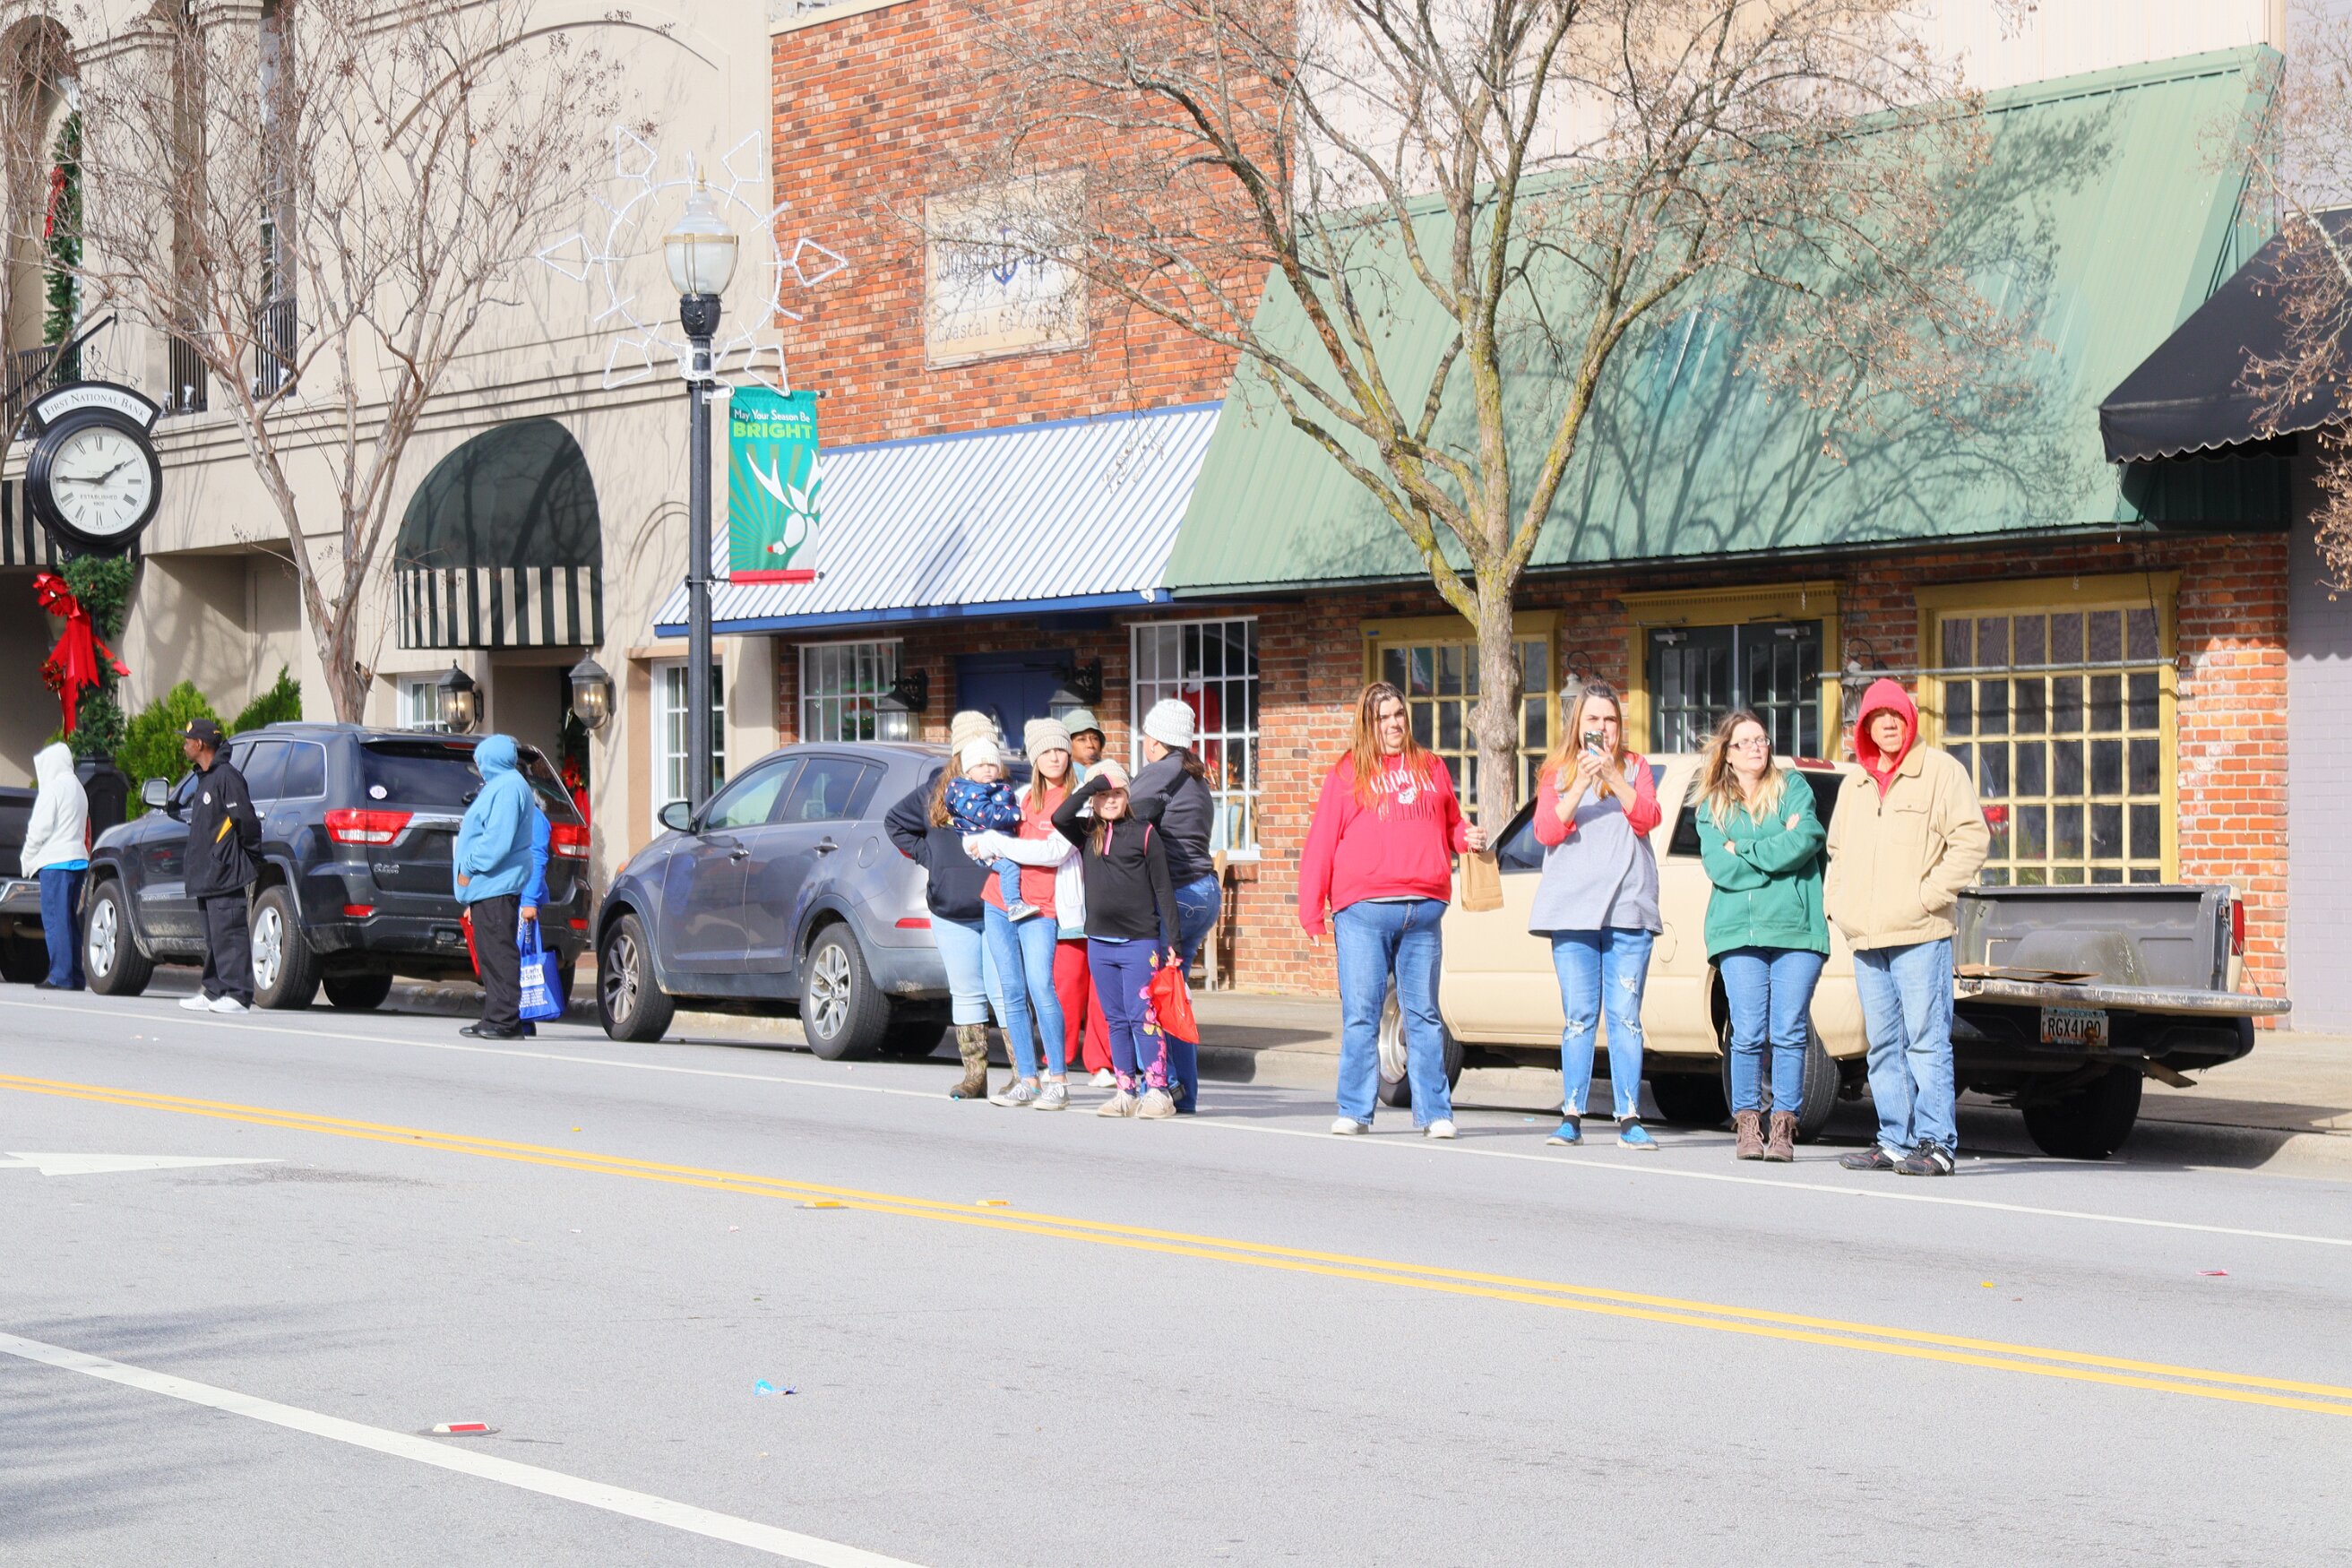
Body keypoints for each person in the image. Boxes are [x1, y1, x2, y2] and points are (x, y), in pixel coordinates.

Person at [1297, 681, 1486, 1139]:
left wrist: (1466, 838)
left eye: (1399, 714)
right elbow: (1321, 841)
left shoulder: (1431, 767)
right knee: (1362, 1013)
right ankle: (1355, 1110)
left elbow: (1450, 824)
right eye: (1383, 717)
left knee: (1423, 1016)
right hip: (1363, 910)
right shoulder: (1347, 772)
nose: (1394, 723)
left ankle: (1436, 1114)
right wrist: (1311, 909)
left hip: (1423, 909)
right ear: (1368, 724)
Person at [1827, 678, 1989, 1178]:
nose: (1889, 725)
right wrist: (1839, 905)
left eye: (1896, 715)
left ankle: (1937, 1144)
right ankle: (1894, 1141)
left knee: (1927, 1041)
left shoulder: (1941, 771)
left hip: (1921, 935)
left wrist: (1928, 897)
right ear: (1865, 727)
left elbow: (1972, 840)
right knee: (1883, 1046)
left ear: (1910, 720)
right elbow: (1837, 852)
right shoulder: (1854, 784)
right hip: (1867, 939)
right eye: (1878, 717)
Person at [1528, 680, 1665, 1150]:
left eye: (1610, 719)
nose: (1602, 728)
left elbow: (1647, 817)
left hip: (1628, 908)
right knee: (1579, 1016)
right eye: (1593, 719)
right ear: (1577, 724)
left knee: (1625, 1016)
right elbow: (1546, 831)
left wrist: (1614, 777)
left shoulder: (1637, 767)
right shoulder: (1557, 772)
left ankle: (1630, 1116)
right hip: (1573, 912)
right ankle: (1572, 1114)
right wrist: (1582, 782)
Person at [1695, 709, 1829, 1162]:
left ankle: (1784, 1126)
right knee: (1748, 1032)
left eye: (1762, 739)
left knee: (1789, 1031)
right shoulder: (1712, 806)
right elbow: (1720, 867)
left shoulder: (1793, 788)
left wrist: (1745, 849)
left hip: (1796, 928)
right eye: (1746, 742)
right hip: (1738, 932)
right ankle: (1748, 1124)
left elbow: (1805, 840)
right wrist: (1775, 853)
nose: (1757, 747)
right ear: (1727, 754)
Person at [1051, 759, 1185, 1119]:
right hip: (1099, 942)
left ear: (1127, 797)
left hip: (1139, 943)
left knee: (1143, 1016)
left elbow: (1164, 890)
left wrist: (1173, 942)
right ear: (1093, 799)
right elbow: (1059, 817)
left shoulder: (1145, 833)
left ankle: (1157, 1090)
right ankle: (1126, 1090)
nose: (1110, 800)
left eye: (1117, 794)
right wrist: (1090, 786)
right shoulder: (1086, 832)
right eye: (1103, 795)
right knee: (1115, 1019)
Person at [887, 726, 1010, 1100]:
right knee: (966, 992)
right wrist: (931, 858)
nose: (985, 763)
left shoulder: (1007, 795)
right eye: (975, 753)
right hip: (950, 909)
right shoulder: (933, 794)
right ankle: (975, 1076)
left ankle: (1023, 1075)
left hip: (997, 906)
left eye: (990, 755)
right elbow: (895, 823)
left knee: (1005, 991)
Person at [966, 719, 1078, 1109]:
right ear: (1034, 756)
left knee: (1041, 987)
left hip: (1041, 907)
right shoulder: (1021, 795)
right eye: (1046, 750)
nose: (1054, 757)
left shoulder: (1075, 800)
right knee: (1011, 991)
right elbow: (982, 834)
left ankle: (1058, 1081)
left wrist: (998, 845)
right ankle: (1027, 1080)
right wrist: (984, 844)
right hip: (998, 901)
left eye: (1060, 749)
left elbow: (1053, 852)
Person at [1130, 697, 1219, 1113]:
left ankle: (1166, 1085)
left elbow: (1120, 818)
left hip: (1178, 895)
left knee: (1155, 993)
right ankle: (1186, 1093)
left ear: (1155, 740)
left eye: (1146, 736)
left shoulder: (1158, 773)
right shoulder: (1196, 775)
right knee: (1175, 992)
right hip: (1206, 892)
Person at [452, 735, 538, 1040]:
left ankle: (505, 1021)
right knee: (490, 954)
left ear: (494, 759)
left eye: (481, 760)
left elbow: (497, 841)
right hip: (489, 886)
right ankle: (494, 1016)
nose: (479, 766)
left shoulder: (508, 787)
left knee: (499, 952)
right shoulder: (502, 785)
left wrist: (468, 866)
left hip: (496, 883)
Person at [177, 718, 261, 1013]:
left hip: (225, 871)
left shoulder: (226, 777)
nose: (184, 746)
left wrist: (248, 858)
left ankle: (238, 994)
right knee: (214, 936)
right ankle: (215, 990)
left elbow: (246, 822)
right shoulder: (206, 778)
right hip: (207, 875)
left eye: (187, 740)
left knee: (230, 932)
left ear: (200, 744)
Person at [21, 741, 89, 991]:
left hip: (55, 863)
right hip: (77, 861)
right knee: (69, 920)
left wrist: (27, 859)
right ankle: (75, 976)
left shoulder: (54, 789)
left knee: (54, 920)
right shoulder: (78, 788)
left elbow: (39, 828)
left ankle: (60, 976)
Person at [941, 741, 1033, 920]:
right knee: (1009, 867)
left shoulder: (993, 786)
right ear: (968, 771)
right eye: (980, 765)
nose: (987, 770)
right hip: (977, 839)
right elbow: (985, 815)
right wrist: (1015, 814)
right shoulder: (968, 791)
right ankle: (1014, 904)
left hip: (989, 837)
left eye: (992, 765)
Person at [1062, 709, 1105, 776]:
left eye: (1095, 738)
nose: (1090, 745)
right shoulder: (1058, 777)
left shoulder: (1111, 773)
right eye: (1082, 739)